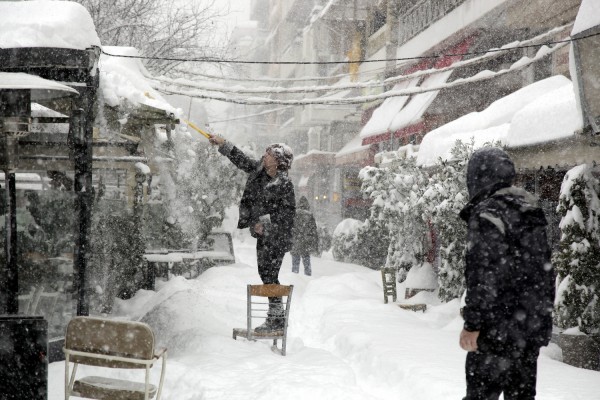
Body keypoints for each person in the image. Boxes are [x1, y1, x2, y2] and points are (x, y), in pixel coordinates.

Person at [458, 147, 555, 400]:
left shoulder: (487, 214)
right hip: (528, 332)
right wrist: (538, 326)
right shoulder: (531, 212)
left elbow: (484, 276)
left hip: (494, 332)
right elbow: (544, 274)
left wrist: (473, 324)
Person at [209, 135, 295, 332]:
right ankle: (276, 318)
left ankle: (276, 319)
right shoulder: (260, 171)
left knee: (269, 274)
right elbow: (243, 160)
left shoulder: (284, 185)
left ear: (278, 161)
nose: (264, 156)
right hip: (264, 236)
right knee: (266, 274)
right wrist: (224, 145)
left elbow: (287, 216)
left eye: (269, 154)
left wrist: (265, 224)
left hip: (277, 238)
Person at [290, 196, 318, 276]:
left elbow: (289, 228)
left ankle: (295, 278)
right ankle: (308, 277)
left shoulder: (293, 214)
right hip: (306, 242)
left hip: (295, 241)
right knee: (307, 263)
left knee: (295, 263)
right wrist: (314, 243)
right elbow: (314, 230)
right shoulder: (309, 215)